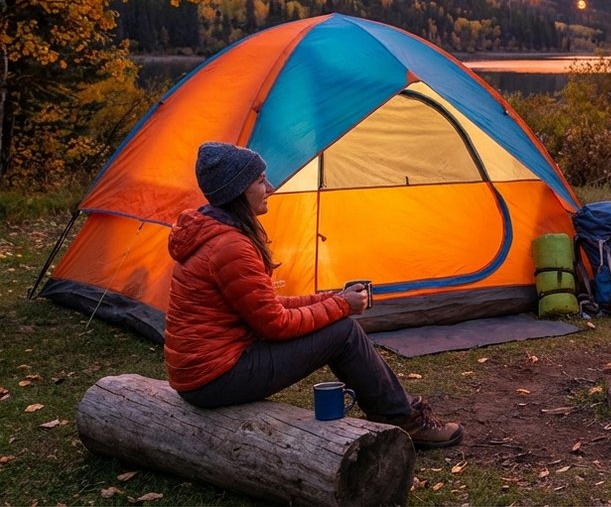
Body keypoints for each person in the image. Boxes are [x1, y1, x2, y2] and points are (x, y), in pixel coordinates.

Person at [164, 141, 463, 448]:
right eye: (259, 181)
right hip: (215, 379)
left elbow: (266, 306)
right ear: (238, 190)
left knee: (340, 324)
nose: (270, 187)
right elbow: (275, 325)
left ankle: (398, 414)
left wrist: (329, 298)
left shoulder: (218, 235)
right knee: (343, 332)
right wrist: (340, 306)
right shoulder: (230, 247)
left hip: (203, 373)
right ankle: (402, 420)